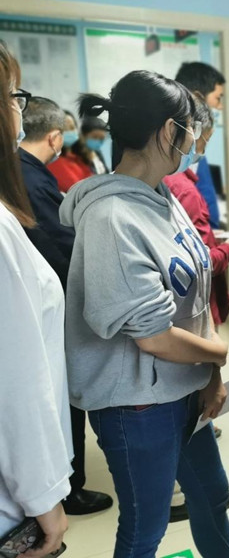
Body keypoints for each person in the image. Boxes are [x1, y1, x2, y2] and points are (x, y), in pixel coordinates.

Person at [60, 70, 229, 558]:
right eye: (190, 127)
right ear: (168, 131)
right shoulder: (111, 218)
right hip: (137, 406)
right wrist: (220, 355)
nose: (195, 139)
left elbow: (195, 294)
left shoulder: (163, 196)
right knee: (146, 528)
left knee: (212, 498)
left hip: (185, 387)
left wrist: (209, 378)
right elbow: (155, 336)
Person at [18, 96, 114, 516]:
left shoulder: (24, 172)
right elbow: (61, 245)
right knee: (62, 398)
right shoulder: (32, 179)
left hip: (37, 302)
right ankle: (70, 489)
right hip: (51, 301)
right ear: (56, 137)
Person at [0, 39, 71, 558]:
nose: (16, 110)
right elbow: (16, 382)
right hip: (12, 504)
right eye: (11, 96)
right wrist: (45, 498)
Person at [164, 94, 229, 327]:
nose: (203, 149)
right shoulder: (185, 191)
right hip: (195, 311)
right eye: (206, 139)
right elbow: (202, 263)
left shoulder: (166, 181)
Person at [175, 61, 226, 228]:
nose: (220, 107)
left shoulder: (196, 152)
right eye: (218, 98)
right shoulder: (175, 158)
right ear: (198, 97)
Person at [48, 109, 93, 193]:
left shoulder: (77, 157)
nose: (69, 132)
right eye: (64, 129)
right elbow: (76, 188)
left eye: (72, 128)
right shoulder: (54, 161)